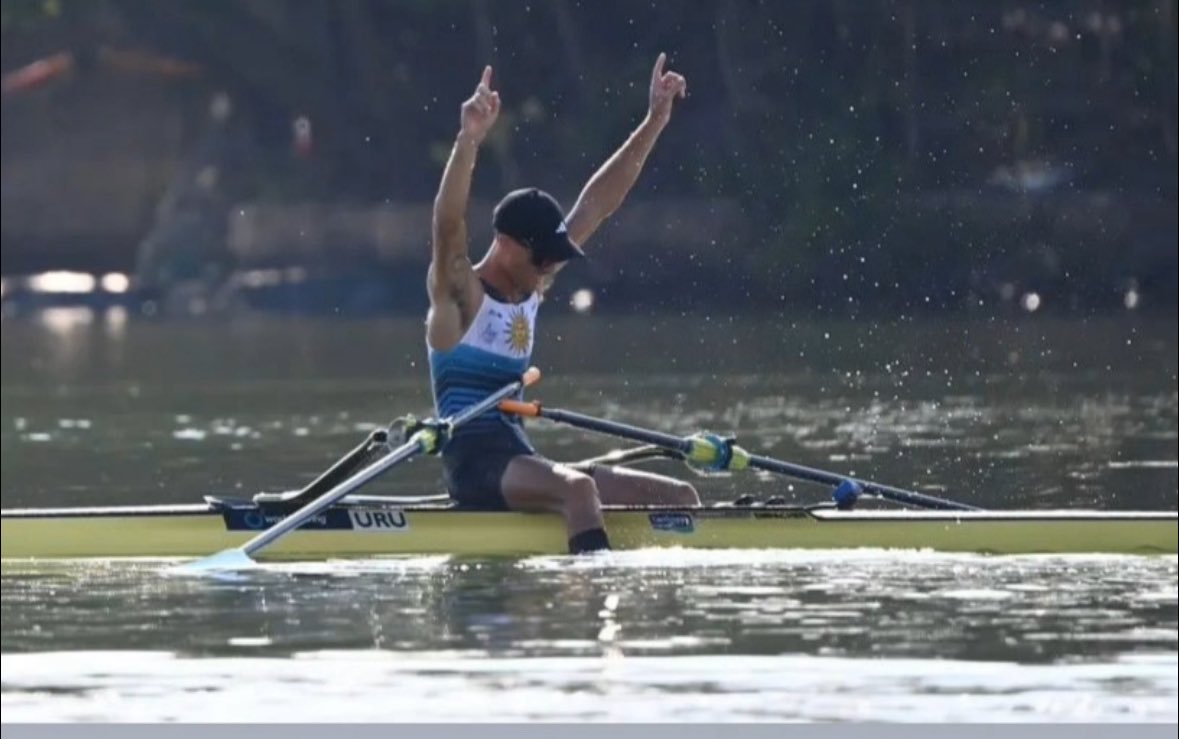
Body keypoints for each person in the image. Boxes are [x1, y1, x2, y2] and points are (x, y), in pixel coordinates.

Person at [427, 54, 701, 554]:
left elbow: (597, 204)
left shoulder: (533, 281)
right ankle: (594, 592)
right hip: (474, 466)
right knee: (578, 490)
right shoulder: (461, 296)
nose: (550, 268)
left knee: (679, 497)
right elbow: (447, 226)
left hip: (519, 458)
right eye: (543, 257)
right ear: (507, 245)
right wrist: (469, 140)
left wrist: (653, 122)